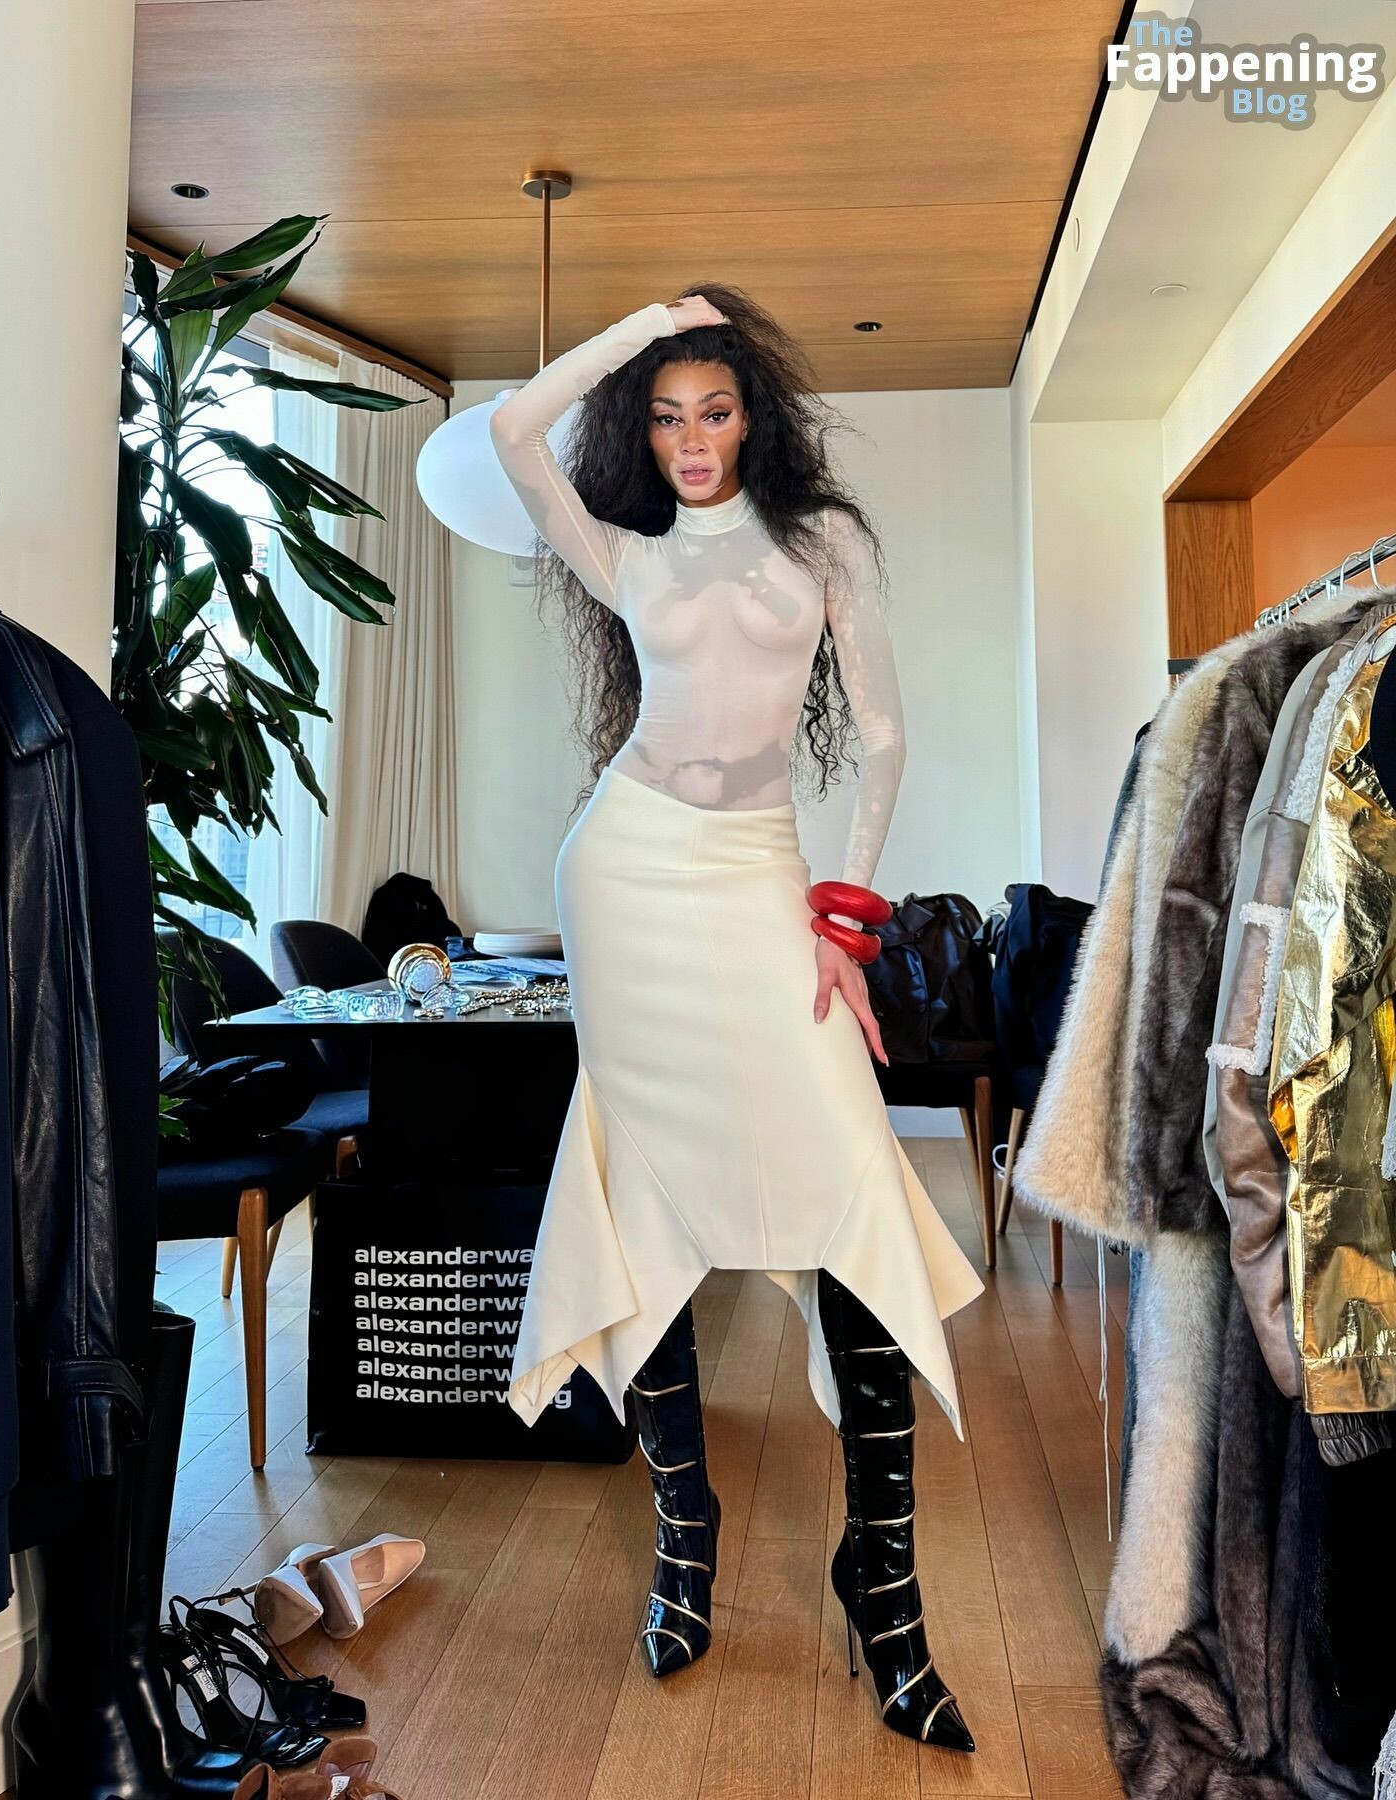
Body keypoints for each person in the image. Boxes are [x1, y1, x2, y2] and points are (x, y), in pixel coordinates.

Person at [489, 285, 984, 1751]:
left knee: (850, 1185)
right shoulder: (625, 547)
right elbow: (513, 430)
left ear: (755, 418)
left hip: (760, 873)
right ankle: (684, 1532)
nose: (692, 439)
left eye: (714, 409)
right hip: (626, 873)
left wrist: (846, 916)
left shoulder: (823, 543)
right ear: (640, 432)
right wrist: (641, 323)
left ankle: (883, 1581)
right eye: (665, 416)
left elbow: (882, 736)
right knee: (646, 1195)